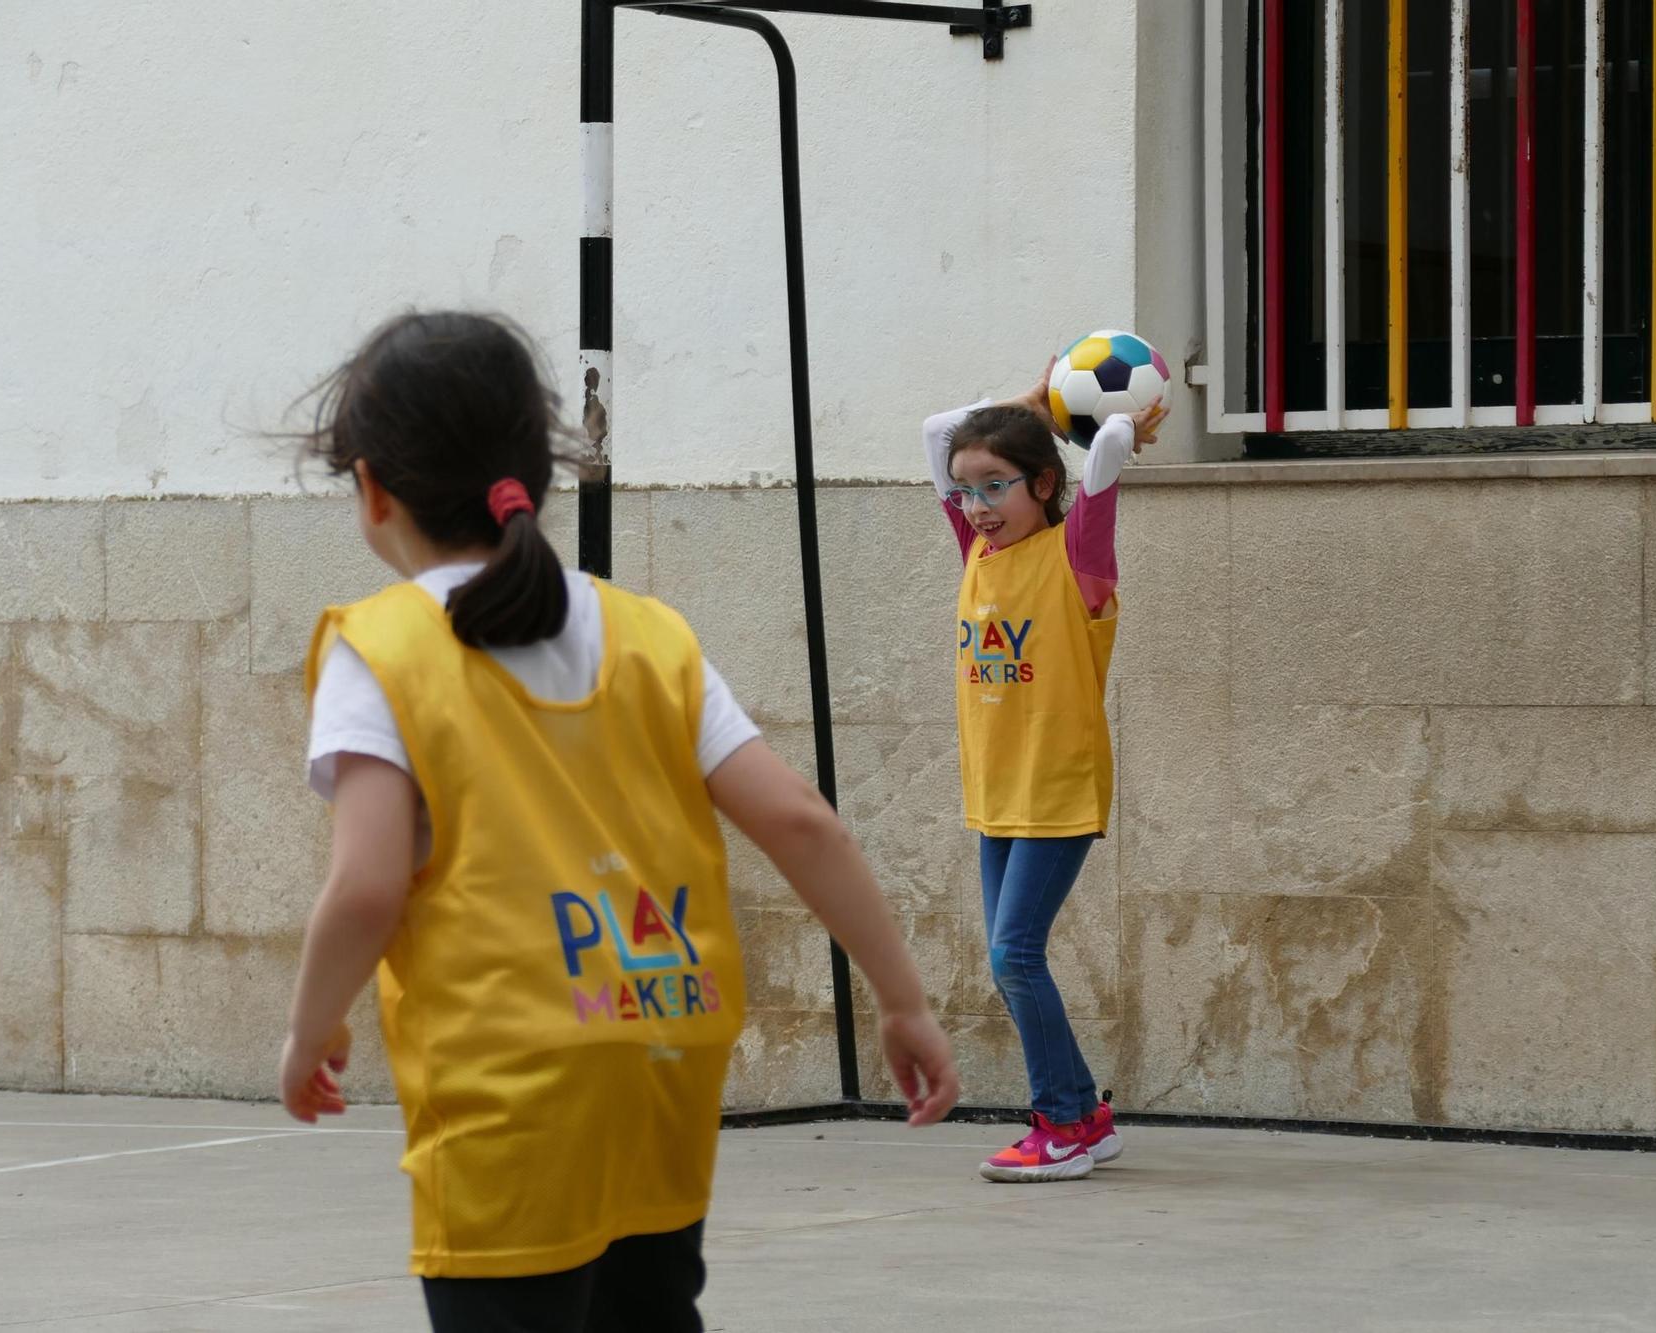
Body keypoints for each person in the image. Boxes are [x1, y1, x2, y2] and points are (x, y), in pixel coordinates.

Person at [277, 310, 958, 1330]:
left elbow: (368, 885)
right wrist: (902, 1000)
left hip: (507, 1084)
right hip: (662, 1056)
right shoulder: (650, 636)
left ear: (371, 487)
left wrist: (310, 1026)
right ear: (533, 470)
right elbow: (802, 821)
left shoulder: (380, 649)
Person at [923, 359, 1165, 1183]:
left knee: (1013, 955)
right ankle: (1082, 1116)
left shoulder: (1079, 559)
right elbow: (935, 433)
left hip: (1058, 789)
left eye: (995, 487)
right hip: (996, 792)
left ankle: (1061, 1123)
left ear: (1046, 484)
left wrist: (1112, 422)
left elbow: (1109, 460)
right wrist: (1030, 403)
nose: (976, 508)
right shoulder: (977, 553)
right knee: (1012, 957)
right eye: (965, 491)